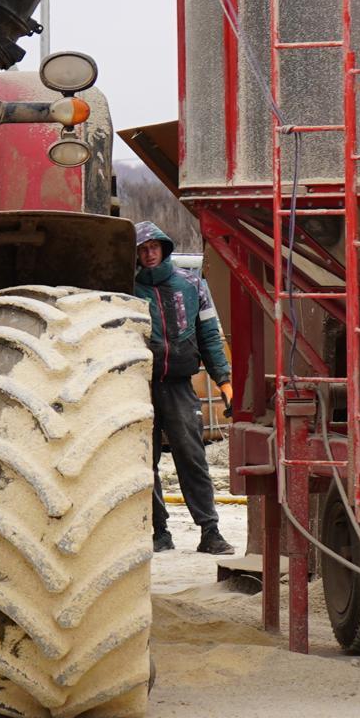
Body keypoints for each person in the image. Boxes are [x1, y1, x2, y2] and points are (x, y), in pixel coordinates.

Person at [134, 221, 235, 556]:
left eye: (153, 247)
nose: (149, 254)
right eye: (142, 250)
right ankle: (159, 532)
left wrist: (224, 381)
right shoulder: (128, 290)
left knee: (192, 457)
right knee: (142, 461)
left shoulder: (191, 285)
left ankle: (210, 532)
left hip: (179, 385)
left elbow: (209, 336)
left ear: (164, 248)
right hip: (138, 386)